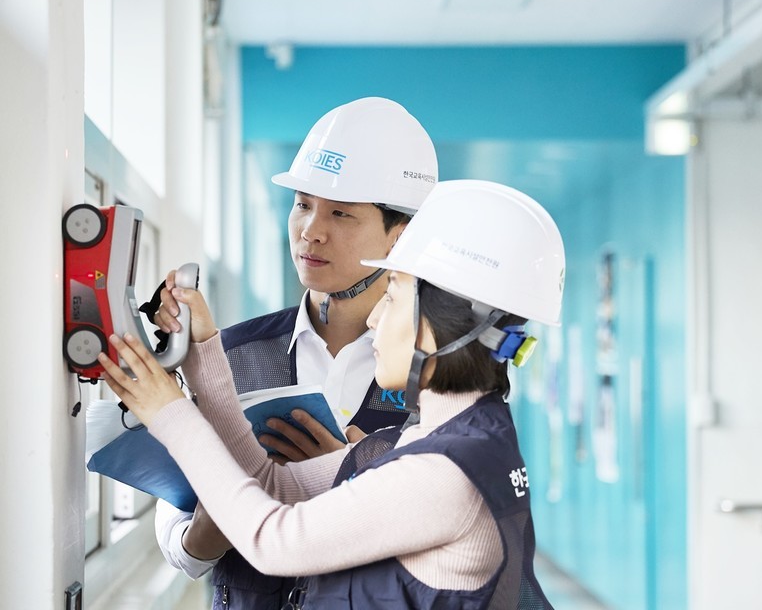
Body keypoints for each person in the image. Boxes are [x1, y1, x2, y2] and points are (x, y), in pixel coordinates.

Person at [99, 180, 564, 609]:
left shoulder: (443, 473)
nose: (377, 318)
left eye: (395, 295)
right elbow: (271, 484)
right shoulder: (448, 438)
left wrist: (170, 414)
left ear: (441, 326)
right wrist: (204, 353)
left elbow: (270, 539)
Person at [150, 96, 438, 608]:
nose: (311, 230)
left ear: (402, 234)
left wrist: (351, 478)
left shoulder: (435, 373)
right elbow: (184, 552)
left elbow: (451, 541)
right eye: (303, 204)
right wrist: (217, 516)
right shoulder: (228, 354)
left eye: (341, 213)